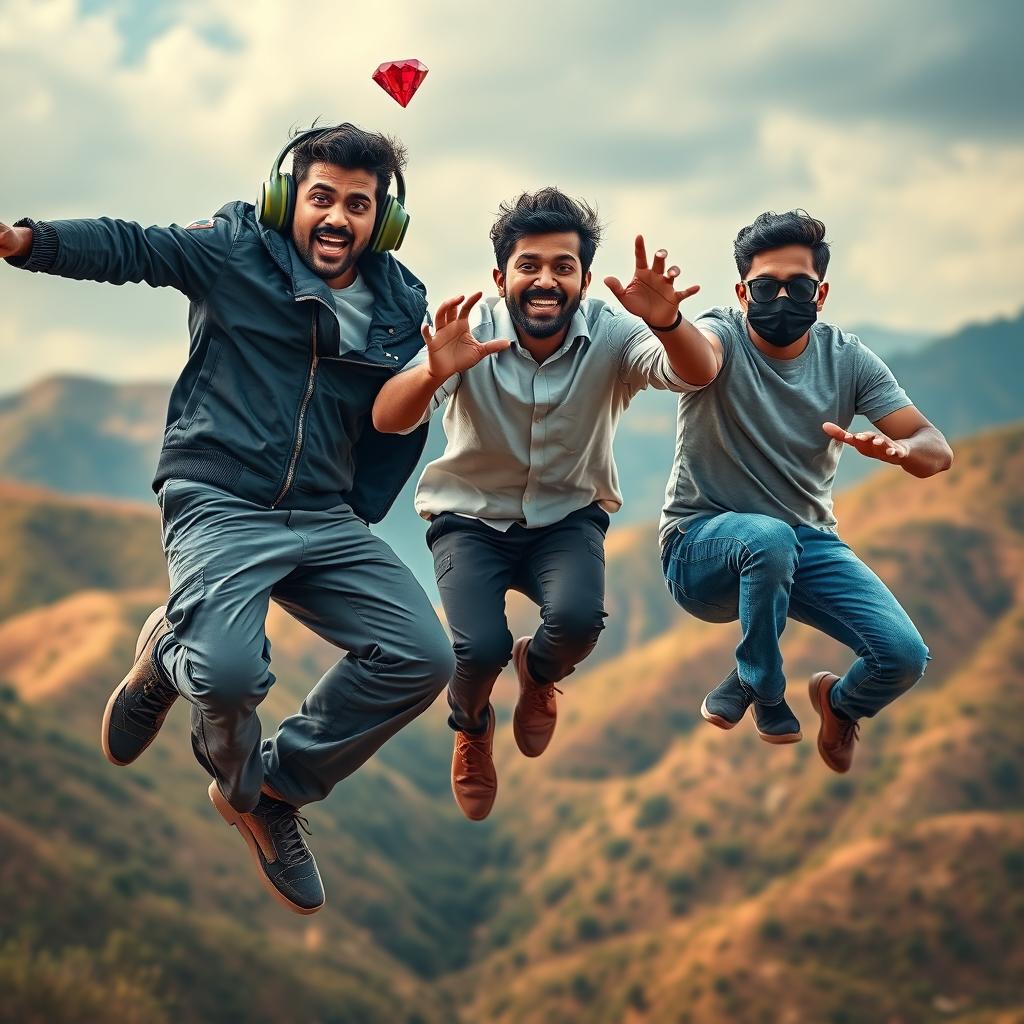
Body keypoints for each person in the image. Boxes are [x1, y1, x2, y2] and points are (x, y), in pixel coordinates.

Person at [0, 123, 456, 914]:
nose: (338, 217)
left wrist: (437, 373)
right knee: (230, 673)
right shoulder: (235, 248)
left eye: (359, 203)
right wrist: (22, 240)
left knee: (423, 657)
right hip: (223, 500)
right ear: (289, 198)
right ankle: (181, 664)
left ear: (382, 218)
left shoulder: (401, 303)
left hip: (323, 513)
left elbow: (390, 421)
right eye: (321, 197)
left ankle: (276, 789)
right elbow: (131, 247)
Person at [373, 188, 717, 819]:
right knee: (475, 651)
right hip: (468, 521)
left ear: (585, 279)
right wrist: (429, 371)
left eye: (563, 266)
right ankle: (471, 728)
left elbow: (696, 374)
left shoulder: (614, 336)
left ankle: (540, 671)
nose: (546, 280)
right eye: (529, 265)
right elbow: (389, 420)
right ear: (502, 277)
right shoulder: (468, 330)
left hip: (567, 520)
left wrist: (667, 323)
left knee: (580, 622)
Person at [659, 210, 953, 769]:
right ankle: (765, 689)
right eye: (767, 286)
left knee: (903, 657)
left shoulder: (847, 358)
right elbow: (697, 361)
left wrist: (902, 451)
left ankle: (839, 705)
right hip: (700, 549)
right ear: (742, 292)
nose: (782, 298)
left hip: (805, 543)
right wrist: (669, 325)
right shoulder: (719, 332)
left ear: (820, 295)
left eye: (798, 286)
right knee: (767, 540)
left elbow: (935, 447)